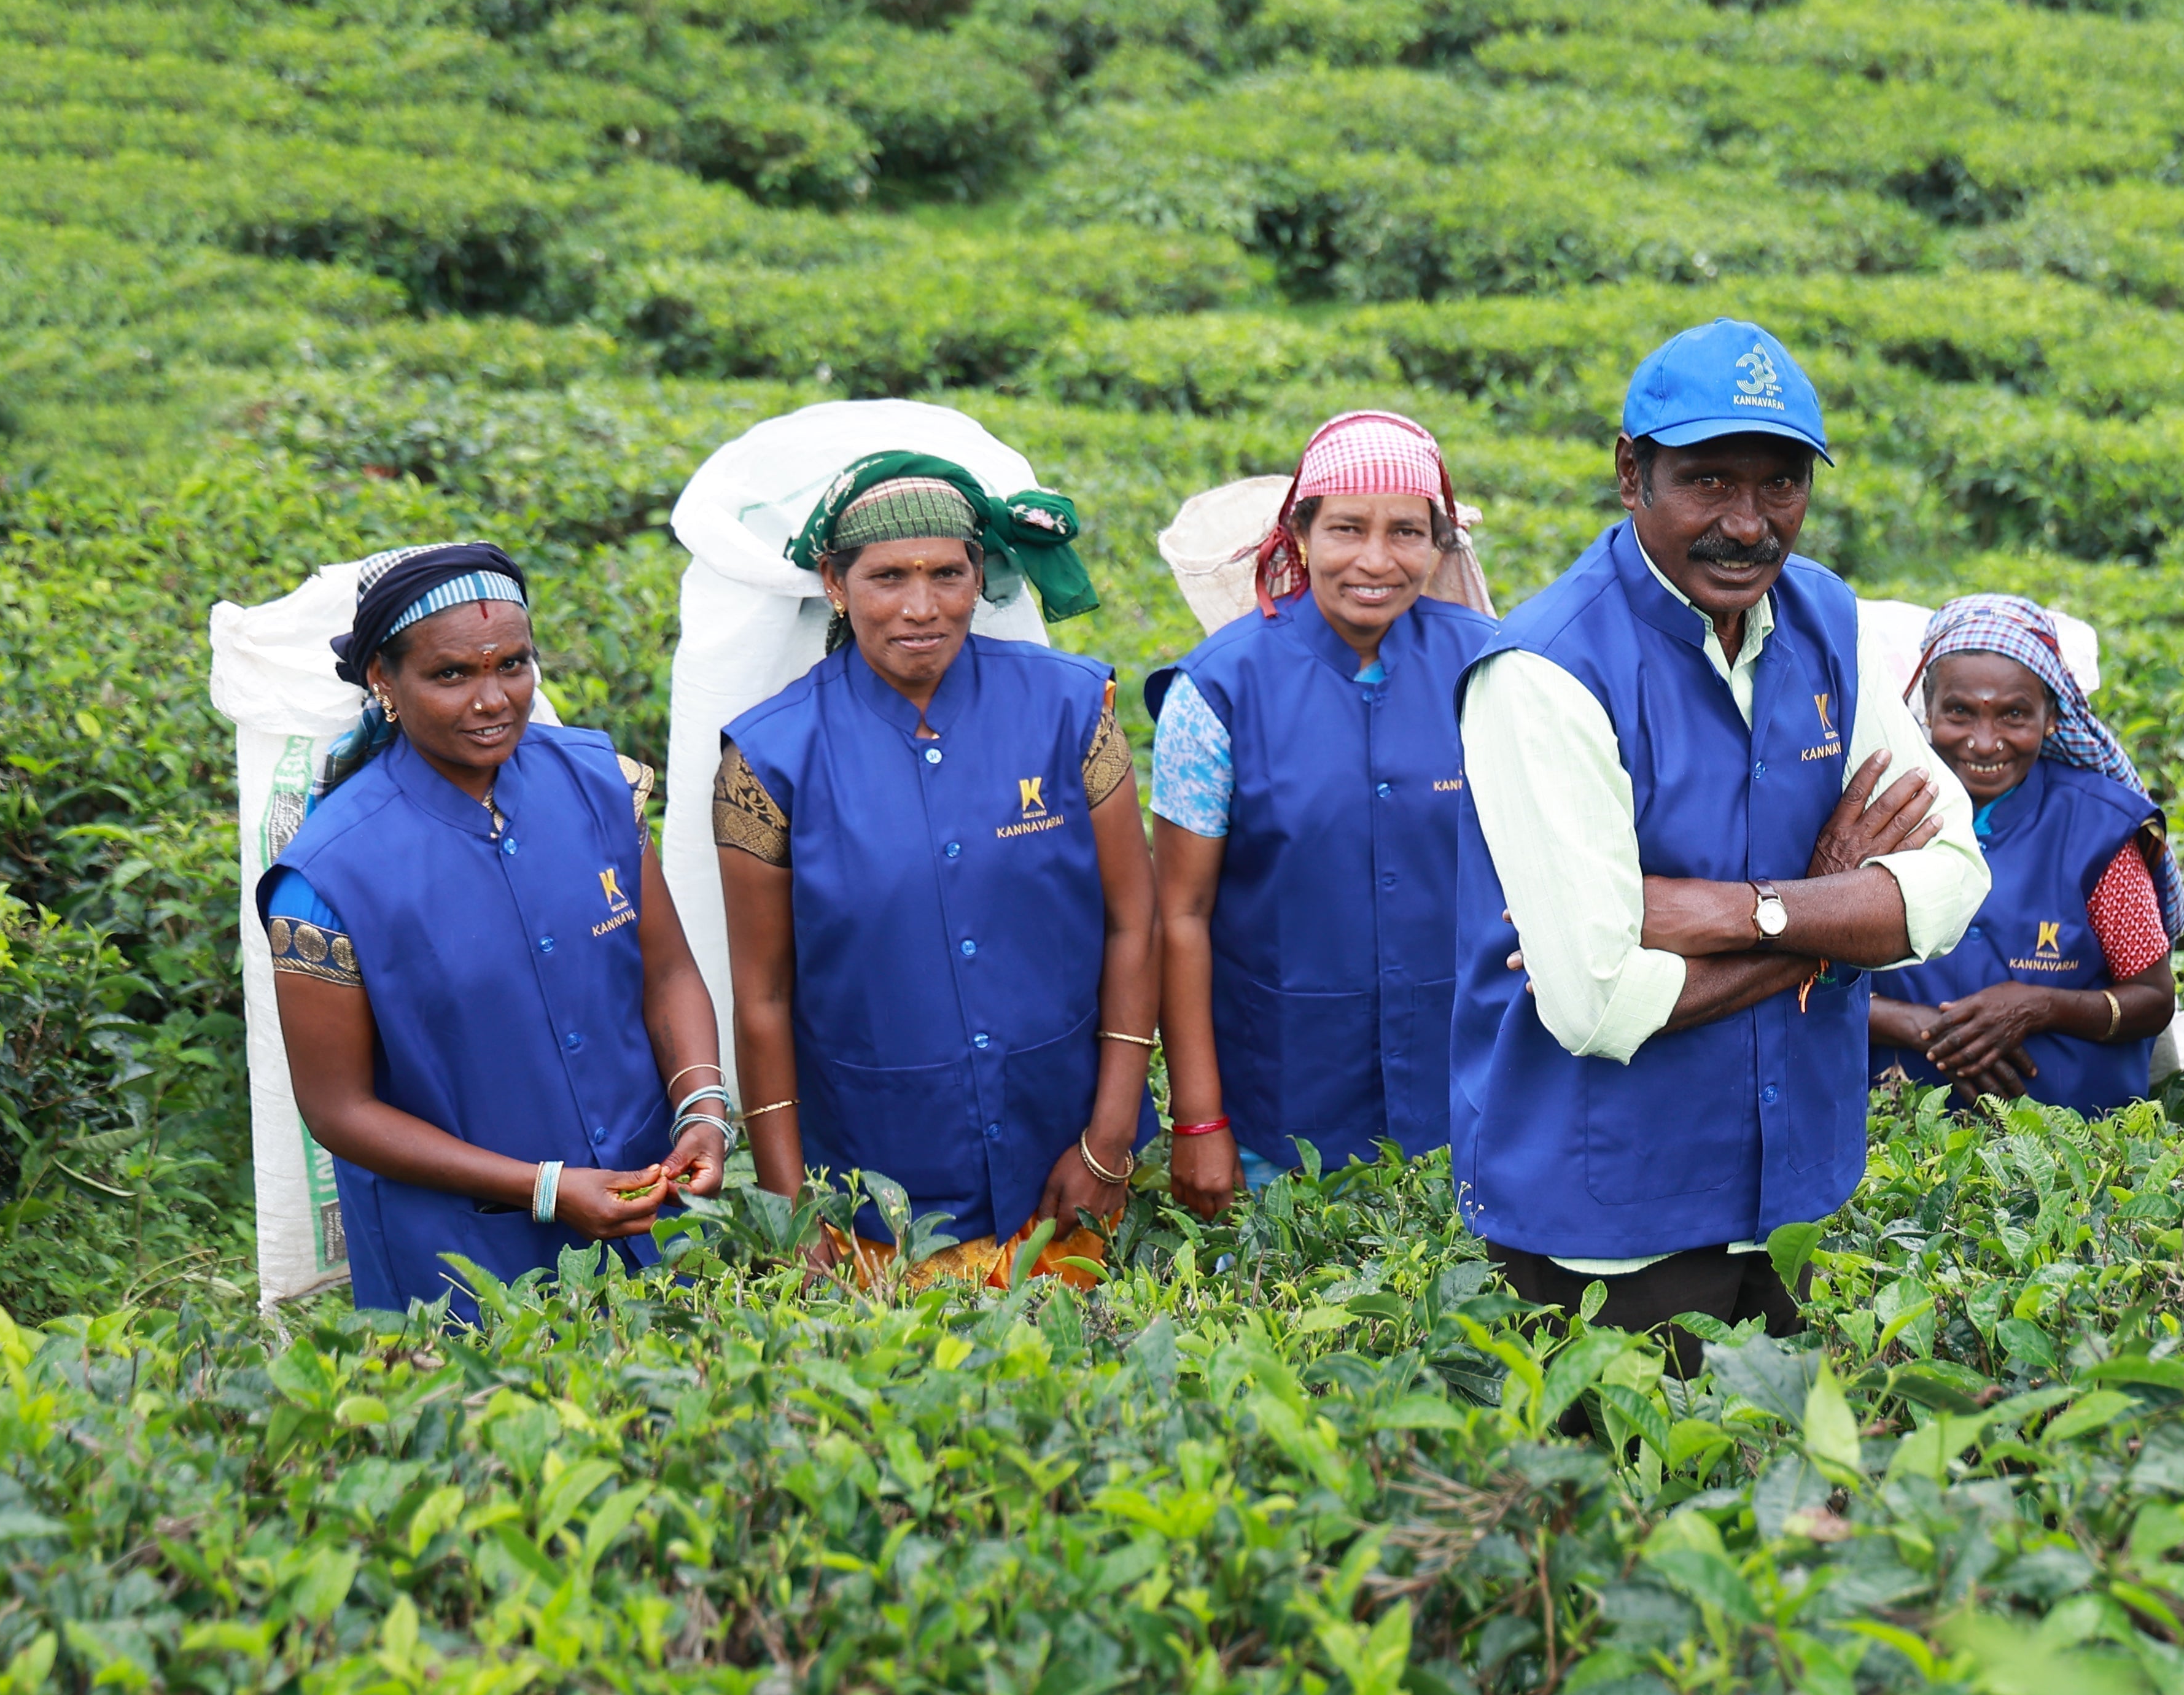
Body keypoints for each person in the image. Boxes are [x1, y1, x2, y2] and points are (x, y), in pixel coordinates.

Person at [1450, 317, 1989, 1367]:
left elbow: (1951, 883)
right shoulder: (1544, 672)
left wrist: (1741, 912)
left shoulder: (1827, 619)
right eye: (1707, 482)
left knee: (1779, 1453)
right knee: (1634, 1462)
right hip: (1609, 1207)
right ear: (1631, 474)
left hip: (1794, 1182)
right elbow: (1599, 1002)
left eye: (1780, 484)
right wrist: (1835, 915)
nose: (1748, 524)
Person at [714, 452, 1157, 1284]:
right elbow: (763, 997)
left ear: (979, 575)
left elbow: (1136, 924)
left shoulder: (1073, 711)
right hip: (877, 1192)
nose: (921, 608)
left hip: (1066, 1175)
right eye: (887, 577)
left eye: (947, 574)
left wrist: (1108, 1142)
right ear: (835, 583)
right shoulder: (768, 760)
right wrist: (791, 1208)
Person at [263, 542, 728, 1317]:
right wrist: (544, 1188)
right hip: (460, 1265)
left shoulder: (600, 786)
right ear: (384, 679)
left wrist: (703, 1110)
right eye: (451, 674)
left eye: (512, 664)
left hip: (653, 1215)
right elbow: (339, 1110)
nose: (493, 700)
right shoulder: (328, 878)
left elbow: (668, 974)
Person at [1148, 412, 1497, 1212]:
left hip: (1468, 1098)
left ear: (1439, 544)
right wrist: (1199, 1119)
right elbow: (1181, 916)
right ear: (1299, 534)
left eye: (1406, 532)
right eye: (1346, 528)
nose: (1376, 560)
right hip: (1280, 1106)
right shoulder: (1217, 691)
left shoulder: (1490, 665)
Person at [1868, 594, 2184, 1112]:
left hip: (2074, 1137)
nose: (1984, 742)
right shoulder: (1879, 813)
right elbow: (1810, 978)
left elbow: (2152, 1000)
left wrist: (2040, 1006)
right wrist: (1917, 1026)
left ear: (2051, 717)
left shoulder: (2100, 831)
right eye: (1959, 712)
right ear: (1928, 707)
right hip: (1897, 1131)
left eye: (2014, 715)